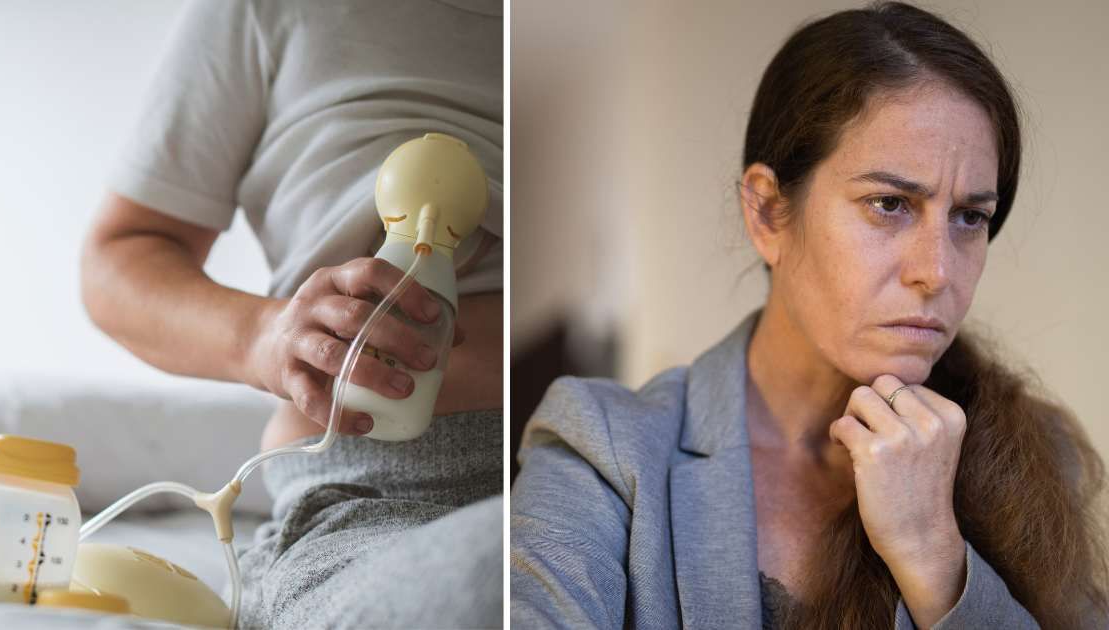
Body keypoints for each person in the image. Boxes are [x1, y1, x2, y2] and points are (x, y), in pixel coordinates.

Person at [510, 2, 1108, 629]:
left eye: (970, 217)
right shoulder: (604, 449)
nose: (937, 271)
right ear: (768, 212)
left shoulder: (1036, 456)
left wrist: (933, 553)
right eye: (889, 203)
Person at [79, 1, 503, 628]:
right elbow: (115, 263)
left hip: (570, 462)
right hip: (365, 499)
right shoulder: (266, 11)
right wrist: (264, 337)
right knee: (498, 576)